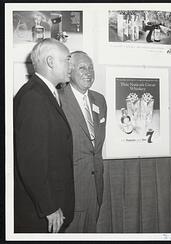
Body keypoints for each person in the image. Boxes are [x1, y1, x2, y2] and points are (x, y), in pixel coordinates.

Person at [14, 38, 75, 233]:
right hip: (41, 214)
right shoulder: (35, 98)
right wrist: (48, 206)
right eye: (67, 60)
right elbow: (31, 162)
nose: (70, 66)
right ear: (50, 62)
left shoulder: (43, 93)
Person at [59, 51, 107, 232]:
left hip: (95, 188)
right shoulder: (58, 99)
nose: (89, 72)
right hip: (70, 189)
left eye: (91, 67)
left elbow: (96, 147)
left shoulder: (100, 101)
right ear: (69, 71)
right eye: (82, 68)